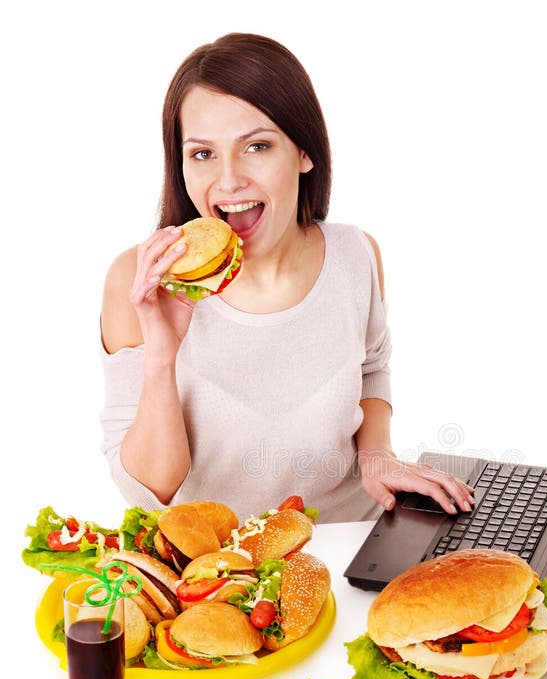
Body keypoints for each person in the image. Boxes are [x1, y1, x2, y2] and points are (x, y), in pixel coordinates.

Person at [100, 32, 473, 524]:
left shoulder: (356, 254)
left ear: (304, 152)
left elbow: (370, 368)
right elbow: (148, 492)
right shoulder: (142, 281)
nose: (229, 180)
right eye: (203, 153)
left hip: (353, 542)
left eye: (256, 145)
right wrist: (161, 358)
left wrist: (377, 455)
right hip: (222, 569)